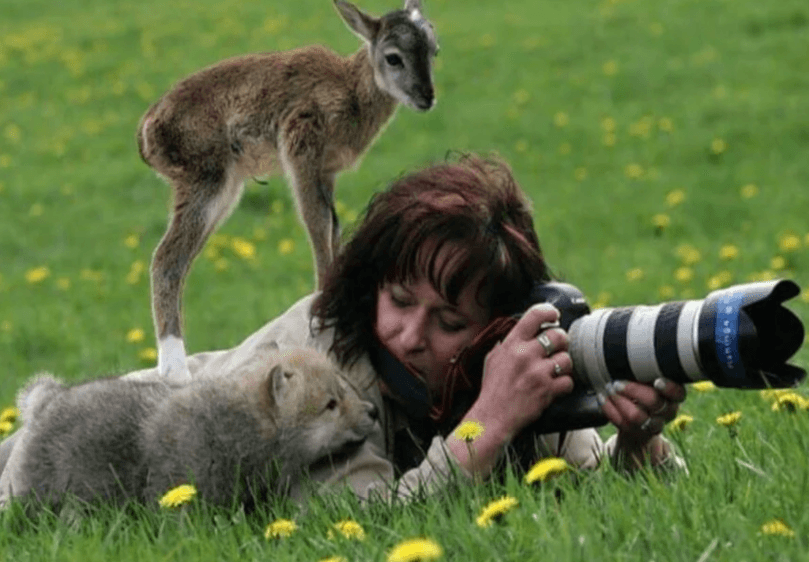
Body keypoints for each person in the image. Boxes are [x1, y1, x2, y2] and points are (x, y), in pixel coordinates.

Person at [0, 153, 686, 504]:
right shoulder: (317, 367)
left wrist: (638, 445)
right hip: (74, 451)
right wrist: (488, 427)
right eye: (398, 298)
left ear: (493, 330)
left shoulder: (507, 363)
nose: (410, 334)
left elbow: (594, 492)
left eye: (448, 320)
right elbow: (361, 529)